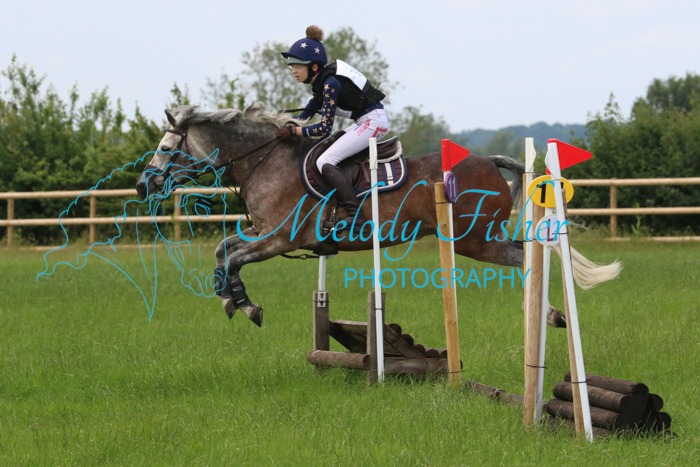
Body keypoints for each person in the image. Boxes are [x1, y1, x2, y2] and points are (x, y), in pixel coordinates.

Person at [277, 25, 389, 233]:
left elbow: (324, 128)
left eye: (298, 66)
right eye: (291, 66)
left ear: (314, 67)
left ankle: (356, 216)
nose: (293, 70)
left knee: (325, 161)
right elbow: (304, 116)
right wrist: (279, 124)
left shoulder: (330, 84)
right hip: (364, 121)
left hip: (373, 122)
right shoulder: (322, 83)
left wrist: (293, 132)